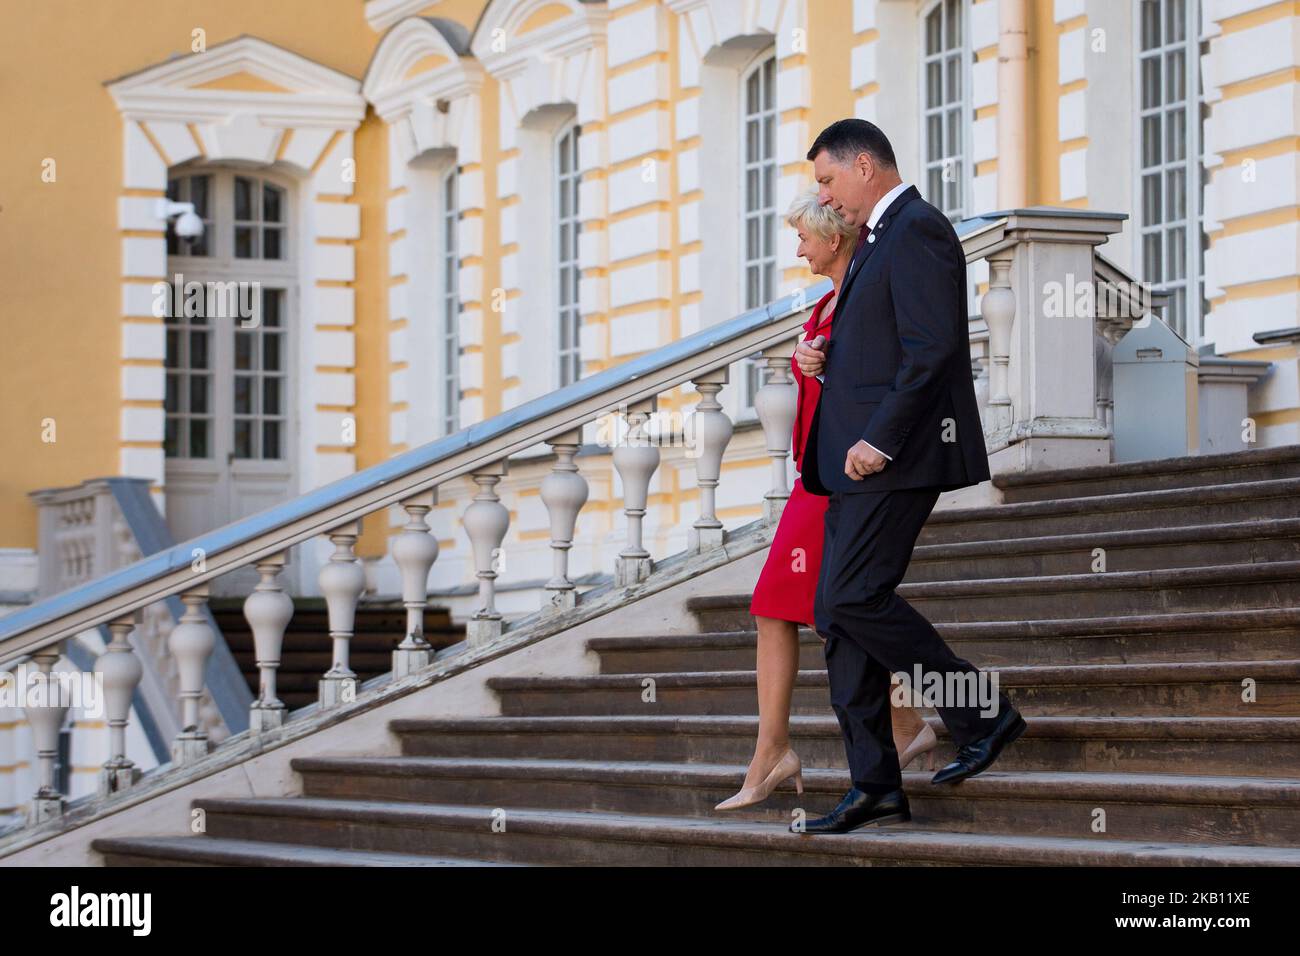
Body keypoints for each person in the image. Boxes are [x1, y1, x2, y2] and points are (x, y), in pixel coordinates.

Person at [792, 118, 1026, 835]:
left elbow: (931, 350)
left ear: (865, 166)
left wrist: (879, 441)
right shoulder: (872, 241)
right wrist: (832, 363)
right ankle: (876, 784)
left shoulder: (918, 228)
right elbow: (886, 344)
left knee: (857, 598)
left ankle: (984, 714)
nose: (824, 198)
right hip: (851, 464)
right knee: (838, 616)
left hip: (892, 461)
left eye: (828, 180)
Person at [715, 188, 936, 813]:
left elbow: (888, 372)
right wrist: (804, 360)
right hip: (817, 472)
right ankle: (893, 727)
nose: (798, 248)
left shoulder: (867, 291)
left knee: (818, 603)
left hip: (842, 474)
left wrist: (823, 368)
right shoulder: (830, 299)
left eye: (803, 237)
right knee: (813, 606)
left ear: (832, 238)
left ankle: (777, 751)